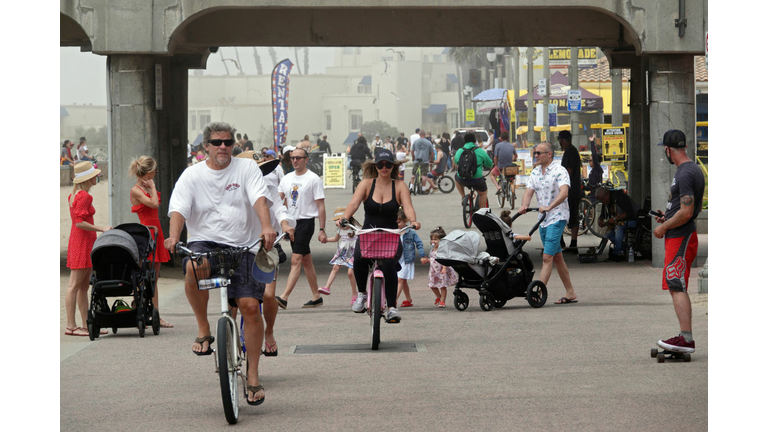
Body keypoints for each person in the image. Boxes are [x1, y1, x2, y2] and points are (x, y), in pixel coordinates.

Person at [165, 122, 277, 406]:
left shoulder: (246, 168)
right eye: (217, 143)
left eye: (228, 142)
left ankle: (253, 376)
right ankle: (204, 329)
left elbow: (259, 199)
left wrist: (267, 227)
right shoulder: (192, 175)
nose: (224, 147)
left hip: (243, 244)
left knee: (251, 307)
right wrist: (173, 236)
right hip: (206, 241)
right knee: (193, 266)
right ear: (206, 147)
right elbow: (178, 209)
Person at [337, 149, 421, 323]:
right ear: (376, 166)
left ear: (393, 166)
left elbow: (408, 206)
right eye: (380, 164)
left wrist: (413, 221)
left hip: (390, 235)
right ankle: (361, 294)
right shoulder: (367, 184)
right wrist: (345, 218)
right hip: (369, 234)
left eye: (388, 164)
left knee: (390, 266)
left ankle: (391, 308)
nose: (384, 168)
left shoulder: (399, 186)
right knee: (359, 259)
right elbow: (354, 203)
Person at [235, 150, 296, 358]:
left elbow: (280, 210)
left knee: (268, 295)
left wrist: (286, 225)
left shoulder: (268, 187)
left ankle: (268, 333)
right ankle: (230, 333)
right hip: (238, 247)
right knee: (232, 298)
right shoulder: (231, 189)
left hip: (266, 247)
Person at [652, 129, 705, 354]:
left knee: (676, 284)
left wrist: (664, 226)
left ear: (667, 149)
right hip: (680, 234)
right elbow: (690, 208)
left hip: (680, 237)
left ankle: (686, 339)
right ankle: (684, 337)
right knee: (676, 285)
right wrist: (668, 216)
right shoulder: (692, 169)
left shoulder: (684, 173)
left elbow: (686, 211)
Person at [519, 141, 578, 305]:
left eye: (539, 153)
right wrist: (524, 205)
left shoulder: (560, 170)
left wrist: (550, 206)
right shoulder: (536, 172)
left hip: (557, 216)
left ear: (549, 154)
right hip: (543, 219)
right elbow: (528, 192)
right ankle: (570, 292)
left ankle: (537, 292)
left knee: (547, 258)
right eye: (535, 153)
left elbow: (564, 192)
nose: (536, 156)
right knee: (557, 257)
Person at [275, 147, 327, 309]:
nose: (295, 161)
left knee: (296, 259)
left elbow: (321, 206)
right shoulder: (287, 178)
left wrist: (322, 229)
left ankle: (284, 297)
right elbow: (278, 201)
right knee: (306, 260)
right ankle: (316, 296)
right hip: (291, 224)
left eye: (299, 158)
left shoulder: (313, 179)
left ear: (306, 159)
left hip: (306, 222)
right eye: (293, 158)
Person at [65, 161, 112, 337]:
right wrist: (102, 228)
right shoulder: (84, 196)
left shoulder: (74, 194)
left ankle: (86, 324)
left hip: (80, 241)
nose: (96, 177)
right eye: (94, 175)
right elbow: (80, 223)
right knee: (76, 285)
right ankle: (71, 325)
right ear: (87, 178)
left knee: (82, 286)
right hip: (82, 242)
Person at [129, 156, 173, 328]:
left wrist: (152, 187)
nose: (156, 174)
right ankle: (139, 310)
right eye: (155, 171)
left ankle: (155, 314)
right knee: (142, 276)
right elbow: (154, 204)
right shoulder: (136, 189)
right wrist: (153, 187)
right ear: (149, 173)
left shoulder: (145, 187)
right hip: (145, 233)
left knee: (153, 278)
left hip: (156, 232)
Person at [318, 207, 360, 304]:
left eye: (339, 219)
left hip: (353, 251)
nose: (337, 222)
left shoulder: (355, 229)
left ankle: (355, 293)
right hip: (343, 251)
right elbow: (336, 239)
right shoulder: (340, 230)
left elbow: (361, 238)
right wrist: (326, 240)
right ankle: (327, 287)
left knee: (350, 273)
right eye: (336, 220)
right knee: (335, 267)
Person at [595, 187, 639, 261]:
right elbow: (602, 215)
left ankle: (617, 252)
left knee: (618, 228)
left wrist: (615, 219)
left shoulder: (620, 198)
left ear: (607, 195)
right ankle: (623, 248)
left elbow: (629, 213)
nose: (601, 201)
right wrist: (600, 220)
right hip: (620, 221)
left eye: (602, 199)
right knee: (608, 234)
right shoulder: (605, 202)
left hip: (632, 220)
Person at [418, 226, 457, 308]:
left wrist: (444, 268)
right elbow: (431, 258)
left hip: (442, 270)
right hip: (434, 271)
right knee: (432, 285)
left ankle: (442, 301)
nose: (433, 241)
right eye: (432, 239)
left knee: (443, 286)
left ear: (441, 241)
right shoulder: (432, 250)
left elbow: (445, 259)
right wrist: (426, 260)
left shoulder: (442, 250)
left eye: (435, 239)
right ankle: (438, 297)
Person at [454, 132, 494, 210]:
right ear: (474, 141)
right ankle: (481, 211)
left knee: (456, 177)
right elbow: (489, 164)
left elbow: (456, 162)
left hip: (463, 178)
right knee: (483, 193)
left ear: (464, 141)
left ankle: (463, 196)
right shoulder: (480, 151)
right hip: (476, 179)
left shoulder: (460, 151)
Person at [395, 208, 425, 308]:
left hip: (406, 260)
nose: (397, 224)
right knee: (403, 281)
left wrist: (422, 255)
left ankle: (393, 300)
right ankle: (408, 299)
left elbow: (419, 243)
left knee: (400, 279)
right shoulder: (394, 232)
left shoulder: (410, 232)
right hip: (397, 259)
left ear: (405, 221)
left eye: (398, 222)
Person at [558, 130, 582, 252]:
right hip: (573, 190)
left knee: (568, 216)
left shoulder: (570, 152)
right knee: (571, 216)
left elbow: (568, 171)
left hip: (570, 191)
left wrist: (559, 183)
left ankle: (571, 244)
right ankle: (570, 244)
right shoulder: (571, 151)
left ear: (562, 140)